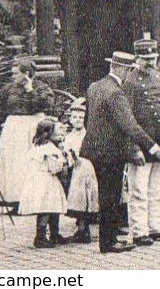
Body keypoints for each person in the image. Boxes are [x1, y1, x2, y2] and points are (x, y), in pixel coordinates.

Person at [82, 52, 160, 254]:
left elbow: (87, 120)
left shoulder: (94, 87)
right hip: (111, 152)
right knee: (111, 195)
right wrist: (155, 149)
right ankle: (108, 241)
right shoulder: (116, 92)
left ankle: (110, 239)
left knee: (107, 194)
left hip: (94, 149)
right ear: (122, 69)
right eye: (129, 69)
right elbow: (131, 127)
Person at [124, 38, 160, 245]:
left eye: (152, 58)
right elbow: (128, 120)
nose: (149, 62)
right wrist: (133, 148)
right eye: (145, 59)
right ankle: (140, 231)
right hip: (142, 144)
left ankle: (158, 226)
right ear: (137, 59)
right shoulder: (130, 82)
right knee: (138, 190)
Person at [0, 56, 53, 214]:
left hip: (31, 127)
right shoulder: (9, 88)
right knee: (13, 164)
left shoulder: (40, 87)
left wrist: (30, 90)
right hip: (13, 129)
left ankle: (32, 200)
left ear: (27, 73)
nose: (13, 76)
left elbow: (47, 105)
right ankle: (16, 200)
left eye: (16, 73)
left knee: (29, 163)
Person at [23, 117, 71, 248]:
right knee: (47, 208)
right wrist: (63, 161)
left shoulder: (38, 147)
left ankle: (54, 234)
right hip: (47, 181)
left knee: (52, 207)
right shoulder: (49, 149)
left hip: (40, 180)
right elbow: (53, 167)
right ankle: (41, 236)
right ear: (49, 133)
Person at [60, 102, 98, 244]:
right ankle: (81, 228)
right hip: (72, 169)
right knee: (75, 198)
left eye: (81, 117)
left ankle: (84, 230)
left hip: (84, 169)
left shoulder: (87, 135)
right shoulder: (68, 136)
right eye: (74, 117)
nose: (77, 120)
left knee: (83, 198)